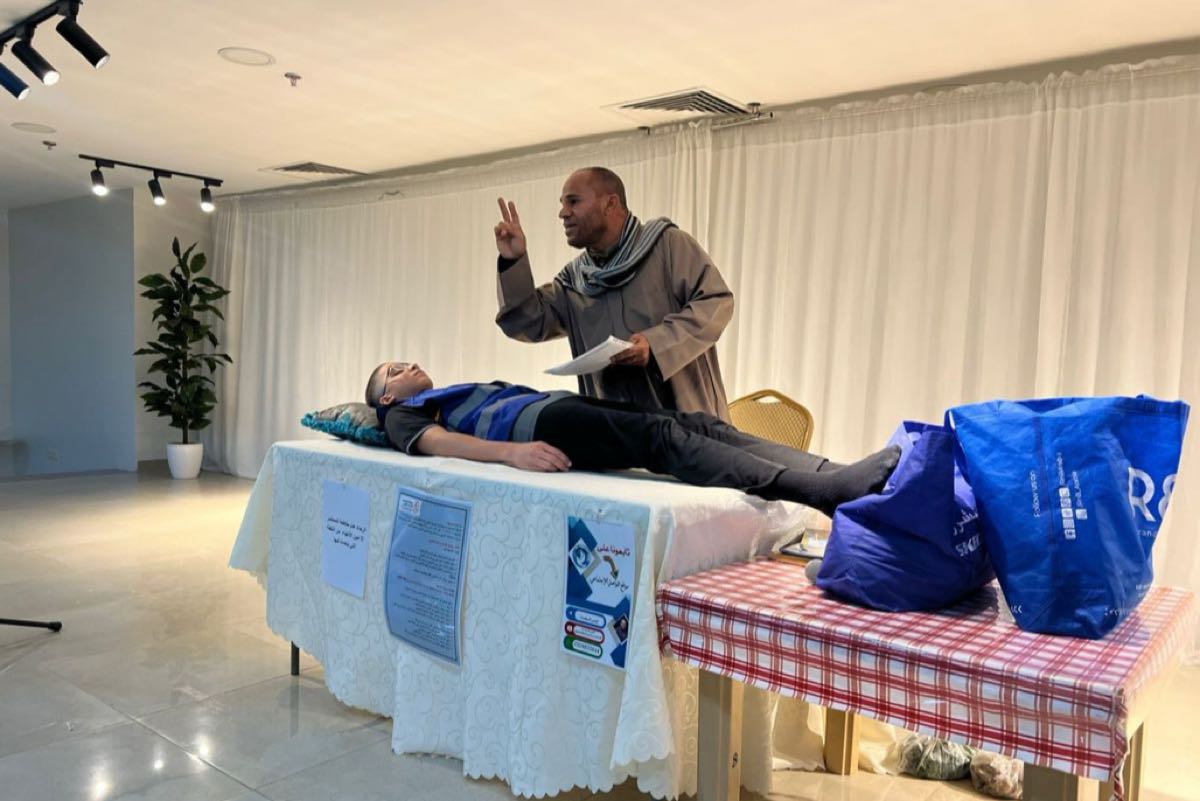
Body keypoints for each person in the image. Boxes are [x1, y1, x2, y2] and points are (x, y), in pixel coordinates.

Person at [365, 361, 900, 517]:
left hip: (552, 406)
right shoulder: (399, 417)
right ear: (386, 396)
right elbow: (439, 444)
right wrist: (513, 453)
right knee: (662, 440)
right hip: (539, 428)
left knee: (698, 424)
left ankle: (832, 471)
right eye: (394, 370)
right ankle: (817, 492)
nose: (408, 366)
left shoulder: (441, 394)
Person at [494, 167, 735, 421]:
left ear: (610, 204)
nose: (563, 213)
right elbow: (526, 323)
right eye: (562, 204)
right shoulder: (574, 281)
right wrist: (513, 261)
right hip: (618, 432)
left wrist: (656, 344)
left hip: (691, 426)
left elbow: (716, 302)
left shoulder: (668, 246)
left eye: (573, 201)